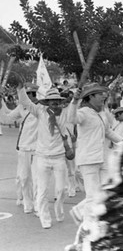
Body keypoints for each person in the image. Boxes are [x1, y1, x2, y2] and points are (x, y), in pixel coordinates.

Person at [16, 84, 73, 229]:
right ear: (46, 102)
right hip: (41, 157)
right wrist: (20, 88)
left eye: (57, 100)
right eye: (51, 100)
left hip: (59, 157)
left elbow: (74, 107)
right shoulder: (40, 111)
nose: (54, 102)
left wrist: (77, 96)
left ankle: (59, 211)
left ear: (60, 102)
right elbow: (26, 102)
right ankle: (45, 218)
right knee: (42, 190)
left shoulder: (65, 113)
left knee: (61, 190)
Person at [68, 83, 123, 224]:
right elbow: (71, 119)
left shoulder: (102, 114)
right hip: (88, 160)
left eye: (103, 94)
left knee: (107, 192)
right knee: (92, 196)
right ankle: (88, 226)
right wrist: (74, 101)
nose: (103, 97)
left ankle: (87, 215)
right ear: (91, 97)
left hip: (103, 157)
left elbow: (108, 132)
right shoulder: (83, 112)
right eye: (99, 94)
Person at [0, 83, 39, 214]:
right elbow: (7, 119)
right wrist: (1, 104)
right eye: (25, 93)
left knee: (38, 178)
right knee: (24, 178)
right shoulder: (21, 107)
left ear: (34, 95)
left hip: (39, 149)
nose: (25, 97)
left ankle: (39, 205)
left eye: (28, 94)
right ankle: (28, 204)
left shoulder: (42, 108)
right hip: (24, 148)